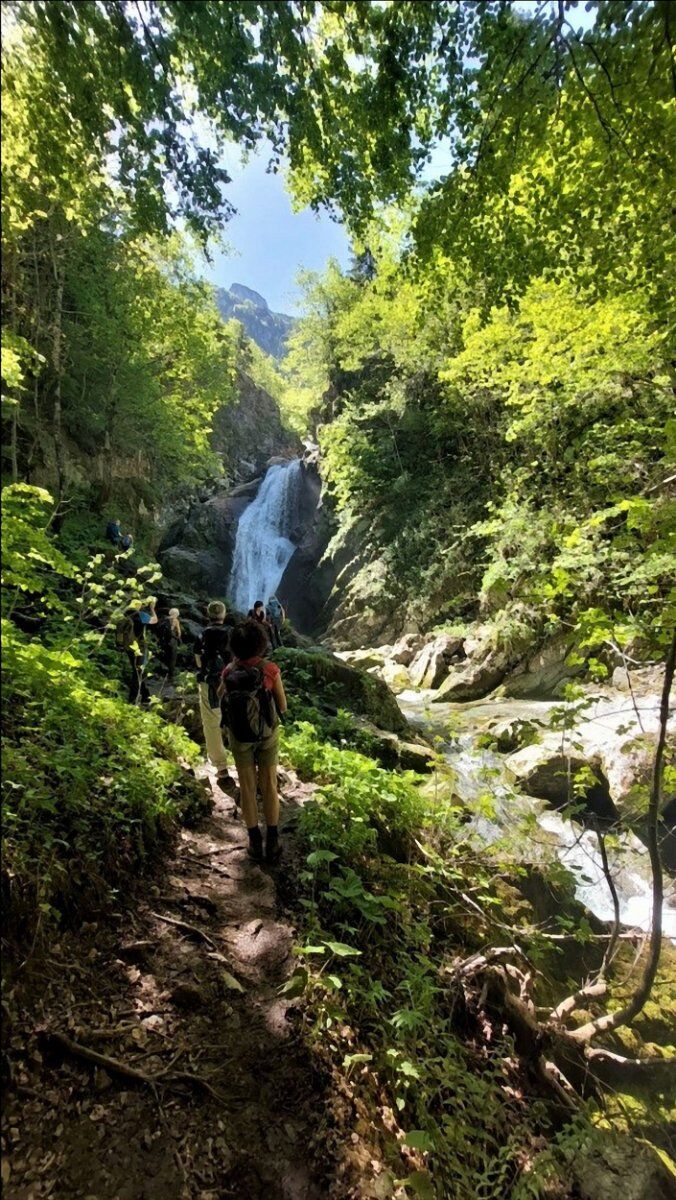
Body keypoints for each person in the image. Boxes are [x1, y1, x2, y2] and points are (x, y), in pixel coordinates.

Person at [221, 619, 287, 864]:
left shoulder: (229, 670)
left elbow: (221, 696)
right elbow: (283, 705)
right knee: (269, 785)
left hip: (239, 736)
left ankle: (253, 841)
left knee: (247, 787)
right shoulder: (270, 669)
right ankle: (272, 840)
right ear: (262, 643)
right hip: (267, 735)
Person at [194, 601, 232, 786]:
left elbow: (199, 662)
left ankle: (221, 768)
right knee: (236, 719)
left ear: (208, 615)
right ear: (224, 615)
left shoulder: (202, 635)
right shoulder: (230, 634)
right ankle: (247, 763)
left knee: (211, 723)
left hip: (210, 683)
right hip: (231, 683)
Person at [116, 597, 157, 704]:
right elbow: (155, 620)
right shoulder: (141, 615)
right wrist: (152, 608)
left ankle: (145, 696)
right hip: (140, 647)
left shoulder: (123, 616)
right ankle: (134, 698)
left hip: (128, 647)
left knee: (137, 671)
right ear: (138, 606)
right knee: (138, 671)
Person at [156, 607, 182, 682]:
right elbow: (178, 632)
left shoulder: (164, 620)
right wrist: (178, 638)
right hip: (172, 641)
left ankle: (162, 674)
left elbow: (158, 630)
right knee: (172, 659)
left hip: (164, 642)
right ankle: (170, 677)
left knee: (165, 657)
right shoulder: (175, 620)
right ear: (176, 614)